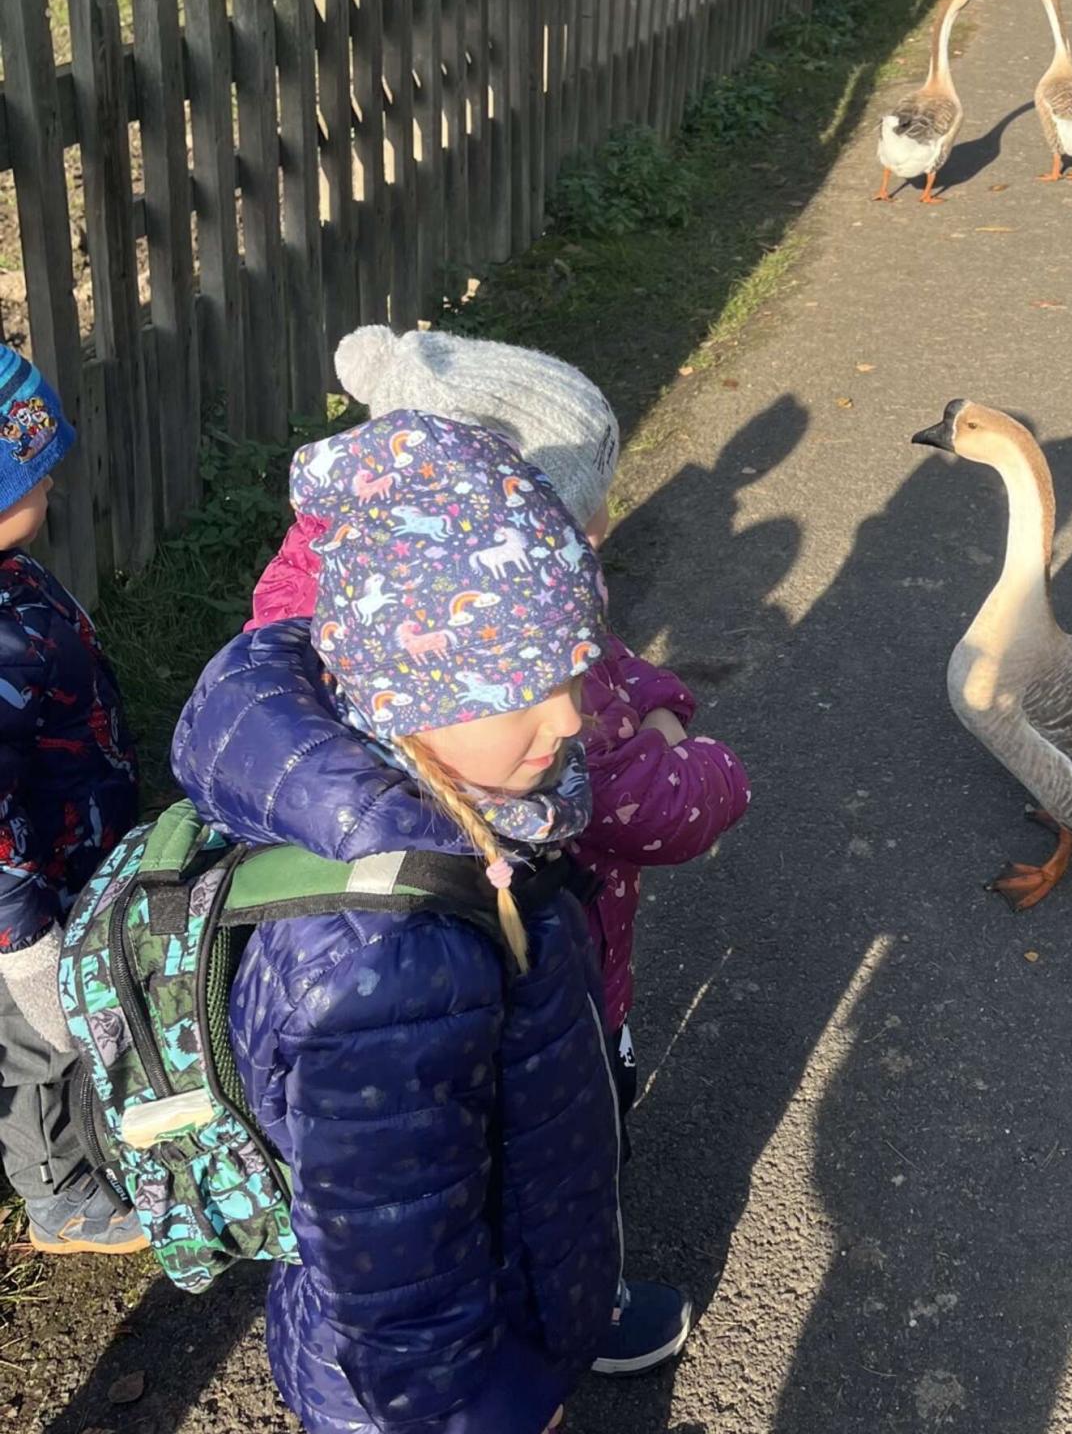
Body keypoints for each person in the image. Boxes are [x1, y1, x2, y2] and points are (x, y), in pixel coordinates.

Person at [173, 412, 674, 1434]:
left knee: (526, 1430)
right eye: (522, 690)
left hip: (504, 1288)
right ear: (408, 699)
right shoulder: (382, 954)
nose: (568, 717)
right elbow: (381, 1233)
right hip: (425, 1379)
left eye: (574, 673)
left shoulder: (482, 809)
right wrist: (447, 1404)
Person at [248, 327, 752, 1373]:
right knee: (558, 1154)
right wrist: (705, 764)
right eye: (582, 505)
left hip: (492, 965)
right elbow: (649, 800)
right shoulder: (499, 689)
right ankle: (571, 1314)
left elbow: (606, 667)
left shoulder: (381, 598)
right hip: (544, 974)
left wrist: (654, 694)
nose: (606, 523)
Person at [0, 349, 142, 1255]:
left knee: (68, 1028)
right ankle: (59, 1197)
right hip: (24, 905)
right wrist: (22, 945)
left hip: (69, 844)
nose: (51, 484)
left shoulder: (11, 579)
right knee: (37, 1045)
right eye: (31, 474)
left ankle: (93, 1142)